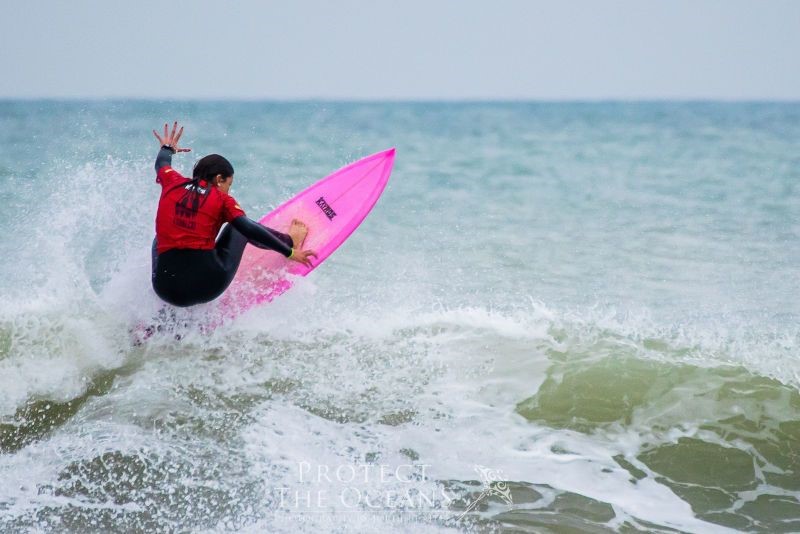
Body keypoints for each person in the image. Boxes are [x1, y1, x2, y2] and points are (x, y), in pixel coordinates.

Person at [150, 121, 316, 307]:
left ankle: (166, 315)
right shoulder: (222, 200)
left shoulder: (172, 181)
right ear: (219, 179)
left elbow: (162, 162)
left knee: (160, 240)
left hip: (164, 290)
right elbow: (248, 228)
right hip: (206, 288)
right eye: (229, 184)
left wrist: (167, 147)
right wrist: (289, 251)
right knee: (237, 228)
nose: (228, 190)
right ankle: (290, 239)